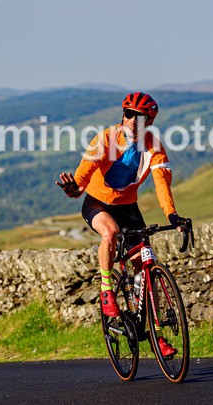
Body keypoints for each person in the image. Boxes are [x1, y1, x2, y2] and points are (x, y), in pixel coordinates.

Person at [56, 91, 190, 358]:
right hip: (97, 203)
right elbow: (82, 179)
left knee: (146, 265)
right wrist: (73, 189)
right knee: (111, 232)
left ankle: (155, 335)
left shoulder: (154, 147)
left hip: (128, 207)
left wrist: (172, 215)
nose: (132, 121)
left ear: (149, 122)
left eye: (140, 118)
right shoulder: (104, 139)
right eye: (128, 114)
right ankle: (107, 291)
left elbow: (162, 184)